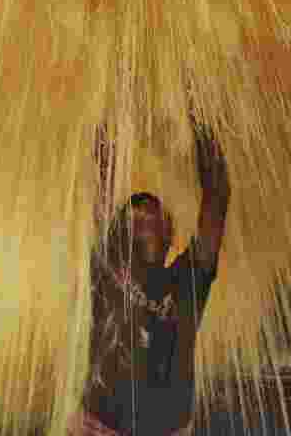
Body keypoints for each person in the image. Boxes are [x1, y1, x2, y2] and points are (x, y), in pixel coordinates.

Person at [71, 126, 230, 436]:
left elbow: (217, 196)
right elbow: (101, 169)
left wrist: (199, 111)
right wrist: (115, 100)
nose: (144, 221)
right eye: (135, 218)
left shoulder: (187, 282)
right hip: (99, 425)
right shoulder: (107, 264)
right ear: (119, 232)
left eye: (151, 216)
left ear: (170, 234)